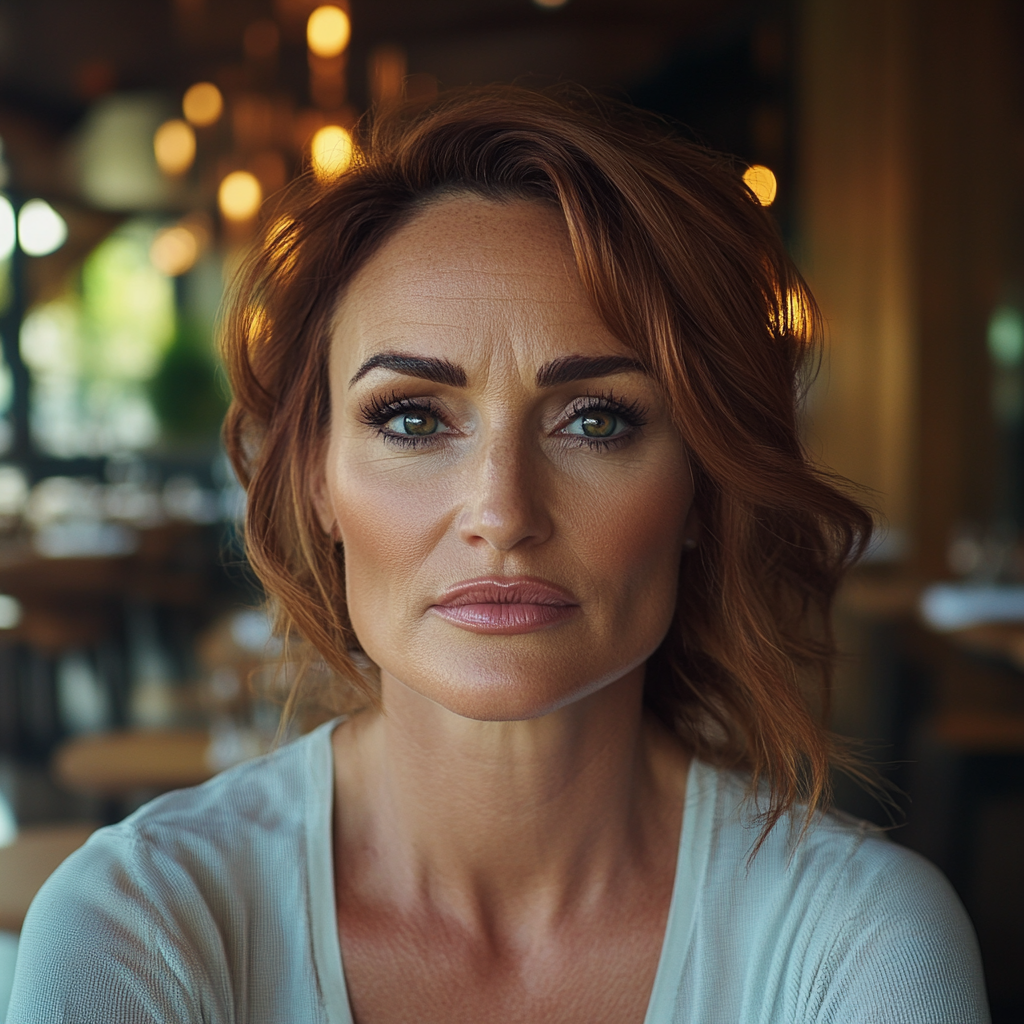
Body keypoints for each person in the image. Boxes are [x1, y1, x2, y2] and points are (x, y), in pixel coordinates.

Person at [8, 86, 989, 1024]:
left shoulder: (861, 946)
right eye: (412, 418)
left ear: (699, 486)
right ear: (315, 479)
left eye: (597, 419)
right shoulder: (135, 930)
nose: (501, 511)